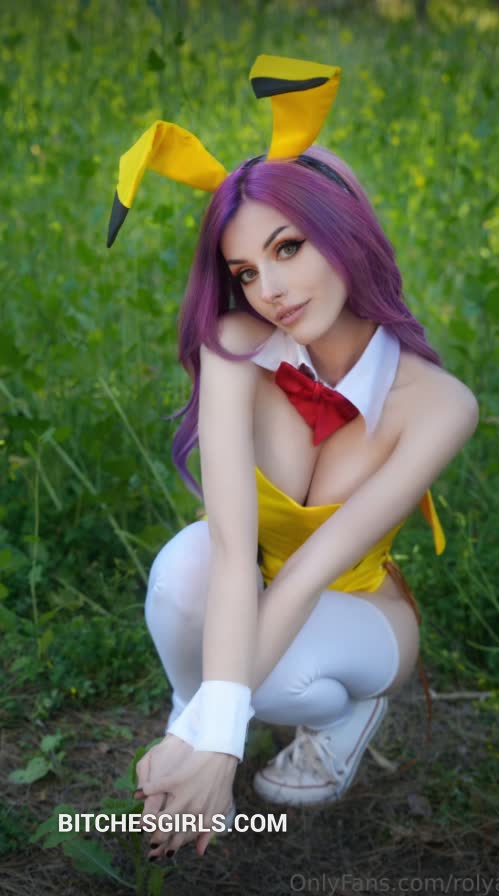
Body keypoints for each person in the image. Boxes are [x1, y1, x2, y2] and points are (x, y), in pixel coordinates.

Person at [107, 56, 479, 861]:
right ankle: (193, 722)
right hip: (256, 584)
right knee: (181, 570)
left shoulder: (438, 405)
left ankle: (335, 719)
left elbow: (309, 575)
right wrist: (203, 734)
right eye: (245, 271)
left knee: (282, 677)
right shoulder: (237, 345)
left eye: (288, 248)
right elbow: (233, 549)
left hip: (358, 615)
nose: (268, 289)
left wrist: (219, 736)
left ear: (343, 234)